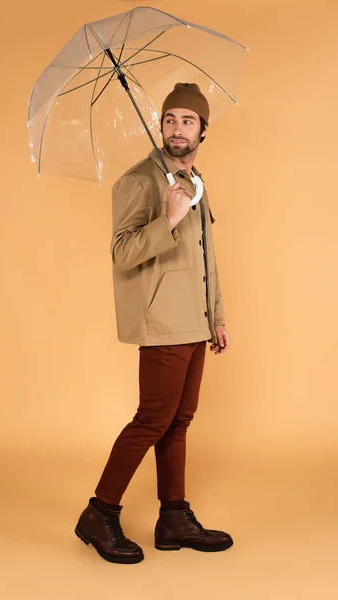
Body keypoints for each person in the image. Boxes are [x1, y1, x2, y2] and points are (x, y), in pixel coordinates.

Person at [75, 83, 232, 564]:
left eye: (188, 120)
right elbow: (122, 252)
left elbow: (205, 258)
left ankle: (173, 518)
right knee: (152, 419)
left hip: (195, 322)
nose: (177, 128)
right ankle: (99, 513)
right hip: (163, 320)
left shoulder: (195, 181)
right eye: (170, 120)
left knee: (179, 421)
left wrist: (218, 318)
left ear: (204, 129)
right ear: (161, 125)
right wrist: (166, 218)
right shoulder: (140, 181)